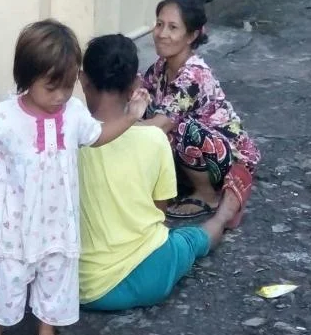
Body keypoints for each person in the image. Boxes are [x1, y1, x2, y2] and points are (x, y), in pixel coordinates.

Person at [0, 20, 147, 335]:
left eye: (68, 86)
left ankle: (46, 330)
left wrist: (130, 117)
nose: (60, 97)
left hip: (58, 221)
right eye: (51, 87)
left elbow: (96, 137)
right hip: (17, 222)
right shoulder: (7, 116)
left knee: (56, 273)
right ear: (27, 78)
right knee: (7, 271)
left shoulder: (74, 113)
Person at [79, 34, 241, 312]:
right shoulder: (154, 140)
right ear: (135, 85)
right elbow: (160, 212)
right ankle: (225, 213)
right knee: (191, 239)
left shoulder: (65, 139)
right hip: (151, 275)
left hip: (84, 288)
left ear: (82, 79)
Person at [141, 0, 259, 226]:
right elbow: (138, 92)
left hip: (229, 156)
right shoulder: (162, 66)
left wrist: (109, 131)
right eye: (159, 24)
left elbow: (161, 125)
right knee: (145, 105)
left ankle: (207, 194)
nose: (162, 34)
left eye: (173, 27)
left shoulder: (194, 75)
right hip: (202, 153)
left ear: (192, 35)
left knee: (179, 127)